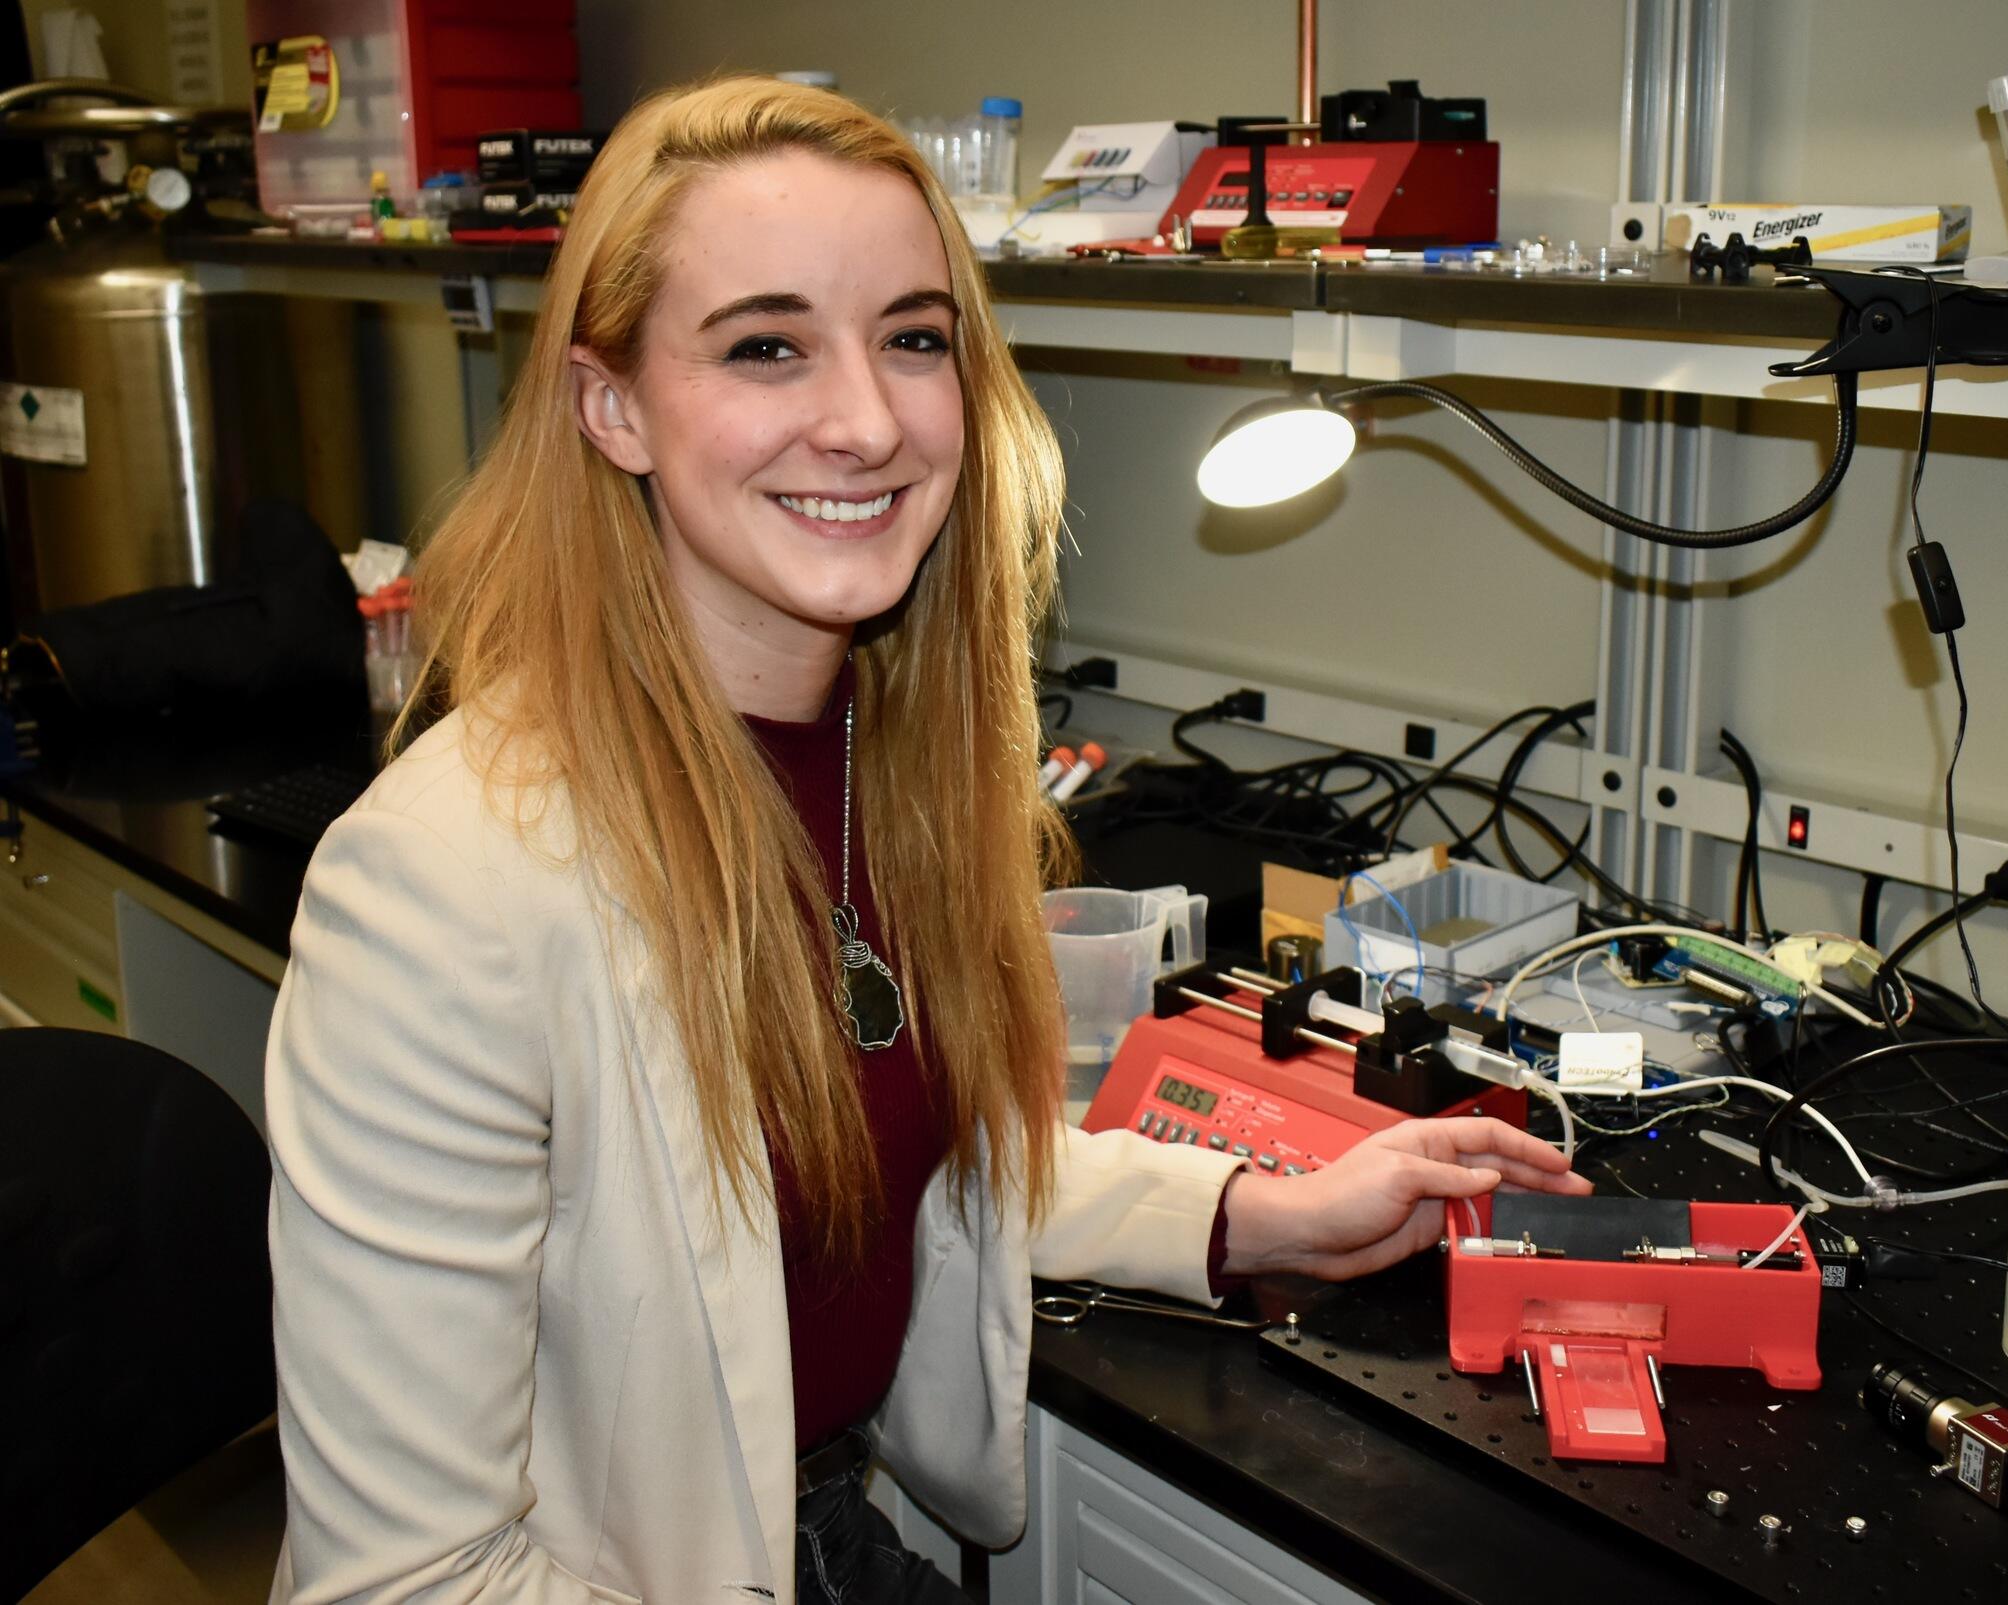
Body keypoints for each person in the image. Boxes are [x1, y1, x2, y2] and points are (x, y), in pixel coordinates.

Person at [263, 74, 1589, 1605]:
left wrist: (1253, 1213)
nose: (869, 421)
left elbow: (915, 1157)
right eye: (765, 346)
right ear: (610, 406)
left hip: (814, 1526)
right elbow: (405, 1580)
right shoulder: (440, 892)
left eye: (912, 338)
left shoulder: (887, 763)